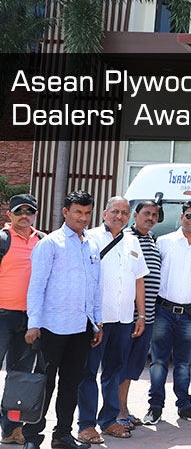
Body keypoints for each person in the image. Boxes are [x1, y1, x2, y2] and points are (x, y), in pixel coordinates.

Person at [23, 191, 102, 449]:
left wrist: (97, 321)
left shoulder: (91, 245)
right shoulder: (50, 244)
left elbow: (95, 287)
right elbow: (36, 286)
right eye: (78, 212)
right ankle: (32, 437)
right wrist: (33, 323)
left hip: (81, 327)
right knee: (43, 384)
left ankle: (62, 435)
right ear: (65, 212)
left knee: (71, 383)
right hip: (51, 327)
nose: (83, 217)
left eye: (87, 212)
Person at [77, 197, 149, 443]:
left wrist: (141, 315)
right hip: (97, 320)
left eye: (125, 213)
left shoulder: (132, 241)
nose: (120, 216)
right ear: (104, 213)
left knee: (114, 371)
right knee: (88, 372)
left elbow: (139, 279)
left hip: (124, 318)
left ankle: (109, 420)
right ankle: (86, 425)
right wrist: (91, 317)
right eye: (115, 211)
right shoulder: (91, 238)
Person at [143, 200, 191, 426]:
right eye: (189, 216)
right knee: (158, 362)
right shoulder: (163, 242)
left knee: (184, 364)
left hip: (189, 314)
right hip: (163, 311)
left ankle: (184, 406)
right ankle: (155, 407)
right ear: (181, 216)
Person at [0, 194, 44, 446]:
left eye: (29, 211)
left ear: (35, 215)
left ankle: (11, 429)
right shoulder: (2, 240)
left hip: (30, 319)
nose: (24, 216)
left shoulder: (43, 241)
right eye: (19, 211)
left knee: (20, 377)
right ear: (10, 215)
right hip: (2, 316)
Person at [118, 201, 161, 429]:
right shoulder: (126, 238)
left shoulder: (152, 239)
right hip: (129, 317)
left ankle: (123, 408)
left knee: (132, 367)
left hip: (147, 317)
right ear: (135, 215)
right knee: (120, 365)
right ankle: (117, 411)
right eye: (146, 213)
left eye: (154, 215)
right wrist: (139, 315)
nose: (150, 218)